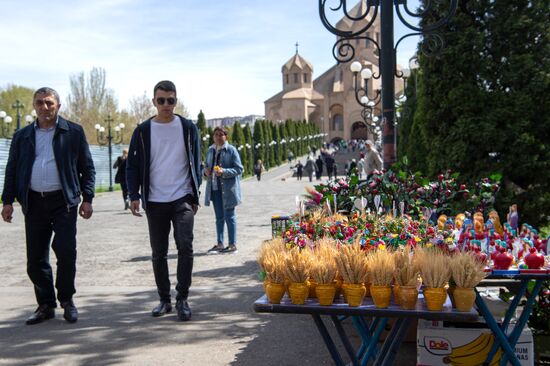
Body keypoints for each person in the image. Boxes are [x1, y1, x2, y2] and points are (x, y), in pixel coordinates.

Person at [1, 87, 95, 325]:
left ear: (58, 106)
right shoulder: (22, 136)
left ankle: (67, 300)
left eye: (49, 103)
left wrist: (88, 198)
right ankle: (45, 304)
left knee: (65, 251)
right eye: (40, 103)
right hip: (33, 202)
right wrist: (7, 201)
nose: (45, 107)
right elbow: (12, 168)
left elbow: (88, 167)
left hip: (64, 201)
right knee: (35, 258)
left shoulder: (72, 132)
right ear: (34, 106)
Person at [126, 80, 201, 321]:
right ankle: (164, 299)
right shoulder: (143, 130)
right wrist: (134, 195)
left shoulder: (188, 128)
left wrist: (195, 193)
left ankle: (182, 299)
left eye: (171, 100)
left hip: (182, 198)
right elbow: (133, 166)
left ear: (176, 101)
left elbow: (196, 162)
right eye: (161, 100)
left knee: (185, 247)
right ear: (154, 102)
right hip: (155, 200)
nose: (166, 105)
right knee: (158, 252)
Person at [204, 126, 244, 255]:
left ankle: (232, 245)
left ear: (226, 136)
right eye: (216, 134)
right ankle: (220, 243)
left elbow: (239, 169)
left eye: (221, 134)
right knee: (219, 218)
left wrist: (224, 171)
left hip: (228, 190)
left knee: (230, 217)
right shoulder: (210, 150)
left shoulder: (231, 150)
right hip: (215, 188)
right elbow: (205, 167)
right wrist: (205, 171)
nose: (218, 137)